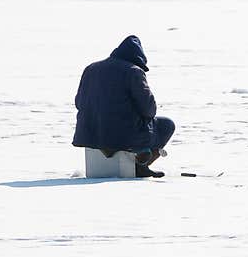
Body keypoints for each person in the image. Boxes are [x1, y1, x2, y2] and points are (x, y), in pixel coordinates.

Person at [73, 35, 175, 178]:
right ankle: (141, 166)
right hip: (123, 136)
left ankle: (138, 160)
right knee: (166, 125)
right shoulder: (134, 71)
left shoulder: (91, 68)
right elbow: (148, 109)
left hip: (90, 133)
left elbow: (79, 102)